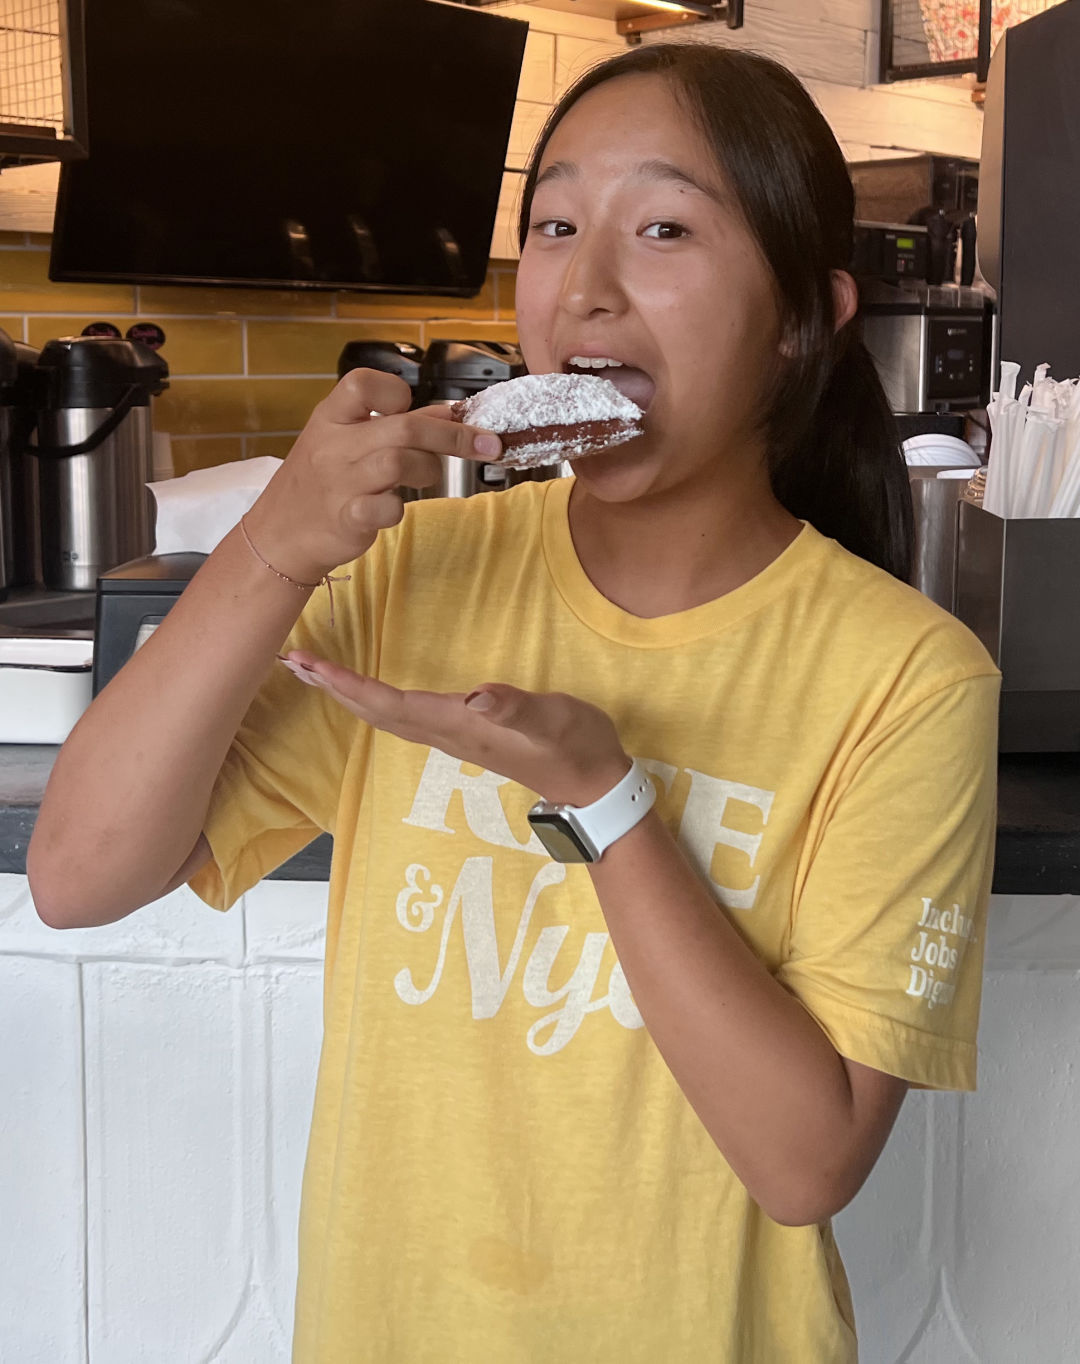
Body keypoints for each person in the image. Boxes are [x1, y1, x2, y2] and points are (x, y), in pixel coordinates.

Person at [28, 43, 999, 1364]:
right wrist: (277, 544)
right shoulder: (418, 574)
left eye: (662, 227)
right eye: (552, 225)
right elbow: (79, 875)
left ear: (803, 317)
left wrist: (607, 800)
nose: (586, 287)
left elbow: (806, 1163)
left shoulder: (907, 679)